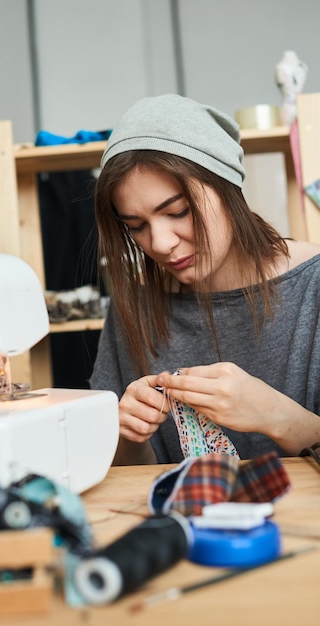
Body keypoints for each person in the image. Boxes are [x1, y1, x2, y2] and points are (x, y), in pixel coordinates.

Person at [89, 94, 320, 465]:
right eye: (137, 227)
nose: (161, 244)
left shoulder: (314, 285)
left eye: (178, 211)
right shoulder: (134, 304)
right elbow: (126, 478)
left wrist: (277, 415)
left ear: (227, 186)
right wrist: (129, 434)